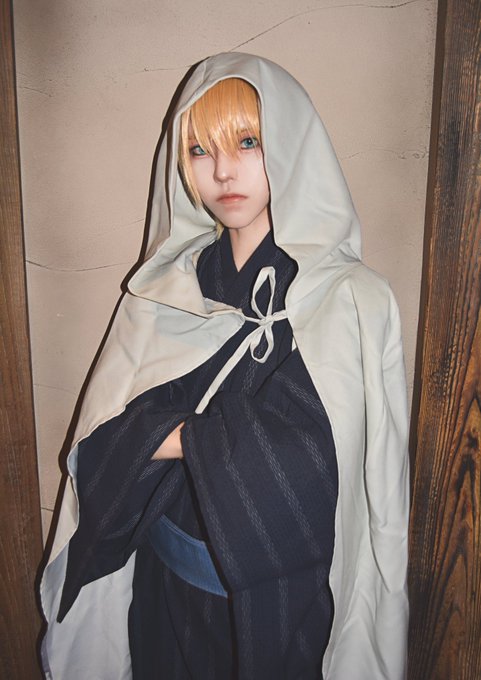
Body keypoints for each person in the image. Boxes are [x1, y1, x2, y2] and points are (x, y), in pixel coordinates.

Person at [40, 53, 409, 679]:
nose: (223, 171)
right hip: (162, 597)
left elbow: (316, 459)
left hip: (276, 612)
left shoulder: (351, 302)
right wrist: (176, 437)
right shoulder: (163, 293)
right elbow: (100, 444)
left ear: (291, 147)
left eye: (247, 142)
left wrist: (172, 436)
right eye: (199, 150)